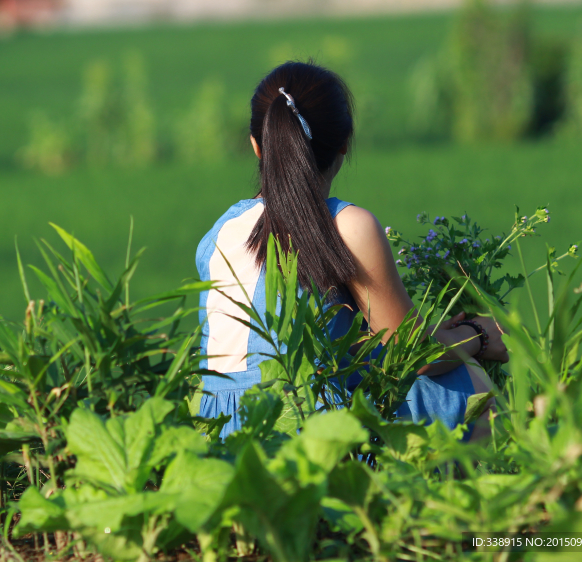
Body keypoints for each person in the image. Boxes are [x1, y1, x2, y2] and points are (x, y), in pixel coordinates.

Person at [195, 61, 509, 441]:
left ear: (257, 146)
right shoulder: (346, 226)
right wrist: (479, 334)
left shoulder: (220, 232)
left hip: (219, 432)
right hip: (301, 424)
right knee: (471, 387)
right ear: (345, 141)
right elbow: (413, 357)